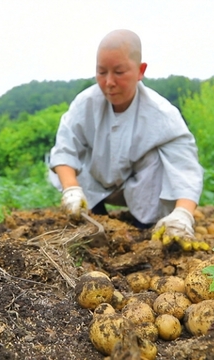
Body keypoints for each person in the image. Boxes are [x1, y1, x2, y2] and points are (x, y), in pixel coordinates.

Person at [48, 29, 204, 241]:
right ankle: (94, 217)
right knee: (75, 166)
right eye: (102, 72)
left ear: (140, 71)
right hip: (94, 182)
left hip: (140, 188)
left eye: (119, 72)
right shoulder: (85, 104)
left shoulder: (162, 115)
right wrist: (71, 190)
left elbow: (186, 170)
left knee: (158, 159)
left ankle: (145, 225)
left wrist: (183, 213)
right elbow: (64, 149)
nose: (109, 82)